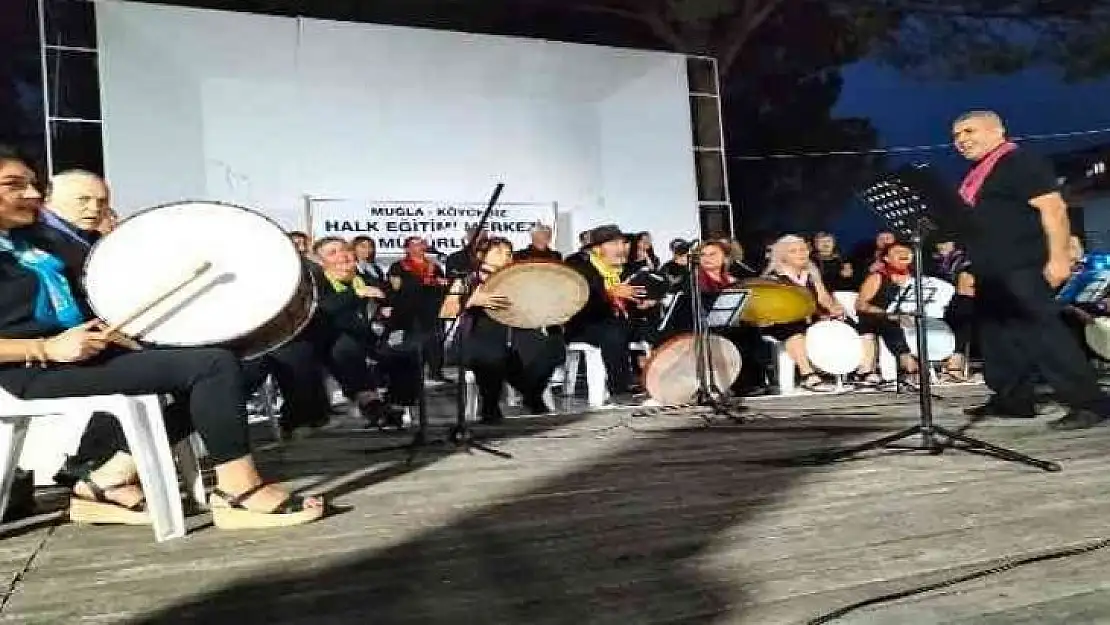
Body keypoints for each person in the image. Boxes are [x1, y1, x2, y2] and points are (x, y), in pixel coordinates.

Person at [0, 146, 324, 528]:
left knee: (242, 361)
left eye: (33, 185)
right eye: (14, 186)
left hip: (78, 352)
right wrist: (45, 347)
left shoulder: (34, 243)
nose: (34, 195)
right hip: (27, 368)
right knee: (212, 367)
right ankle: (238, 491)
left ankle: (107, 478)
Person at [952, 110, 1108, 429]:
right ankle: (1013, 400)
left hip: (1022, 264)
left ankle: (1089, 402)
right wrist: (969, 265)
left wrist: (1059, 258)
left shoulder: (1018, 162)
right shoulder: (980, 174)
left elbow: (1053, 210)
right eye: (956, 136)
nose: (961, 140)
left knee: (1043, 334)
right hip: (991, 269)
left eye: (969, 131)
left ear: (997, 131)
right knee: (997, 337)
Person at [459, 237, 564, 422]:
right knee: (492, 350)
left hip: (515, 335)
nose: (505, 257)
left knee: (552, 346)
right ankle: (491, 405)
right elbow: (446, 311)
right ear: (480, 256)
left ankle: (532, 393)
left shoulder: (516, 279)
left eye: (508, 253)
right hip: (479, 339)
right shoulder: (468, 280)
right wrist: (471, 302)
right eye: (498, 252)